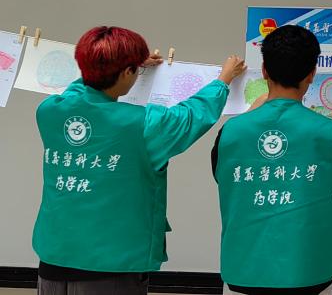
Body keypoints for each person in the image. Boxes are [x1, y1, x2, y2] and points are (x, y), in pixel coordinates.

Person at [33, 26, 246, 295]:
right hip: (112, 266)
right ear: (127, 72)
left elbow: (78, 90)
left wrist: (119, 64)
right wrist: (223, 80)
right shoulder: (143, 124)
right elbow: (191, 115)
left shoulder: (49, 110)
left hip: (52, 261)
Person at [212, 25, 332, 295]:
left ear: (264, 70)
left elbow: (222, 177)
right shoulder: (329, 132)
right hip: (309, 272)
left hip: (244, 271)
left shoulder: (231, 131)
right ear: (312, 74)